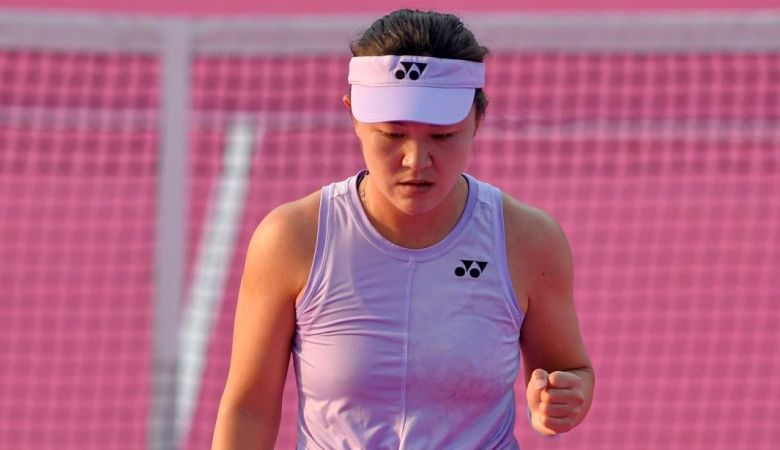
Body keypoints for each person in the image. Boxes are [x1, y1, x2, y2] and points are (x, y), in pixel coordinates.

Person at [212, 9, 594, 450]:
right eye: (393, 135)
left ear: (478, 119)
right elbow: (249, 408)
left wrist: (562, 398)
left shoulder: (528, 240)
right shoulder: (292, 239)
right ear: (354, 116)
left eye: (442, 136)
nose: (416, 160)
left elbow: (569, 370)